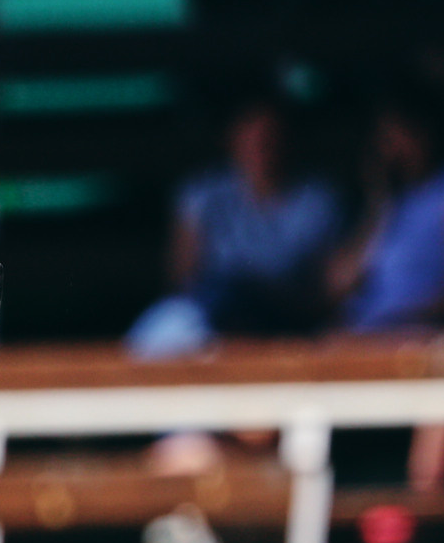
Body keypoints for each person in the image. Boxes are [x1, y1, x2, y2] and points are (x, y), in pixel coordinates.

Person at [329, 86, 444, 490]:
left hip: (425, 329)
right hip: (364, 334)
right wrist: (379, 204)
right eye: (385, 138)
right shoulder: (382, 204)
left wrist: (409, 319)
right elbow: (337, 285)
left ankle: (423, 500)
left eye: (400, 134)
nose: (393, 147)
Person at [128, 92, 342, 360]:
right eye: (251, 135)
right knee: (163, 330)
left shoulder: (317, 198)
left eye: (270, 135)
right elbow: (182, 280)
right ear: (231, 138)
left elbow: (327, 291)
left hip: (285, 320)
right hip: (214, 319)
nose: (261, 144)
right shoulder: (203, 193)